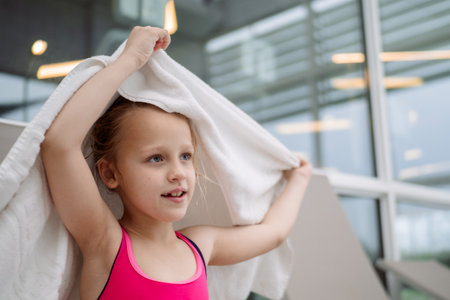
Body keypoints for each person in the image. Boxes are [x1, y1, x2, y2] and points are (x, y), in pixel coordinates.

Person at [41, 26, 312, 300]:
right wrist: (130, 59)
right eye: (156, 158)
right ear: (111, 173)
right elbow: (59, 145)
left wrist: (299, 177)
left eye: (185, 156)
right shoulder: (106, 242)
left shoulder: (201, 246)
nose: (178, 173)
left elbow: (273, 233)